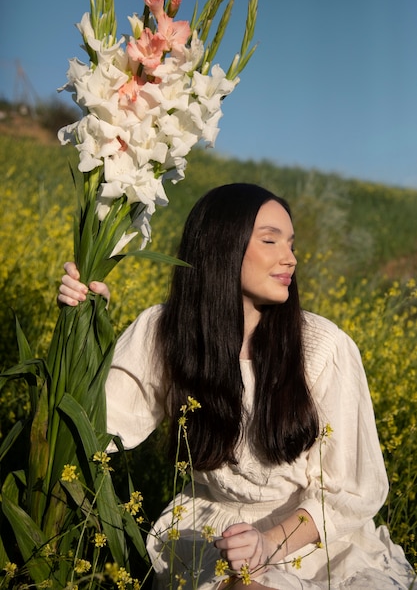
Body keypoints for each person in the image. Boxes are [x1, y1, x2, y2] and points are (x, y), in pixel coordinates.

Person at [58, 183, 415, 590]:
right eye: (270, 241)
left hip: (313, 536)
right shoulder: (167, 332)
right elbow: (93, 430)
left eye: (291, 243)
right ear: (221, 247)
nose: (291, 258)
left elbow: (353, 490)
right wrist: (84, 328)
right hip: (211, 531)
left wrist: (269, 544)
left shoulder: (323, 346)